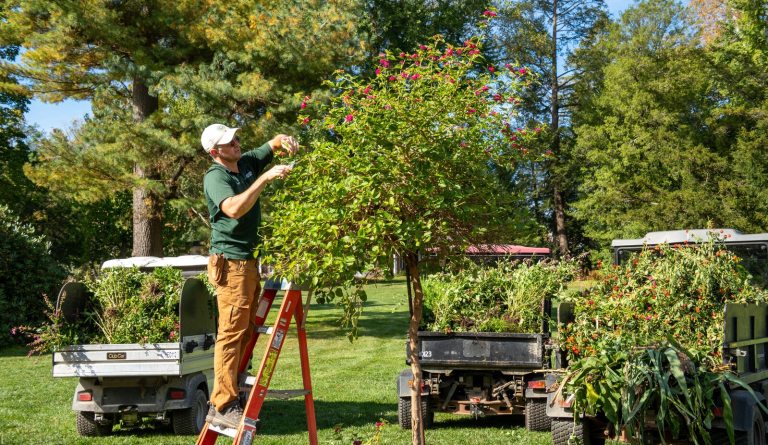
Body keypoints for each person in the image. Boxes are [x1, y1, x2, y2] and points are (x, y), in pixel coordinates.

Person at [201, 123, 296, 429]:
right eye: (230, 142)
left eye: (237, 138)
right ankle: (223, 404)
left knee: (244, 331)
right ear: (216, 152)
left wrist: (285, 141)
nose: (237, 144)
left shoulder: (245, 163)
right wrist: (266, 179)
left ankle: (234, 394)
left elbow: (273, 142)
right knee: (230, 334)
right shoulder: (216, 177)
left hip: (250, 263)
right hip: (231, 265)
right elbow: (233, 209)